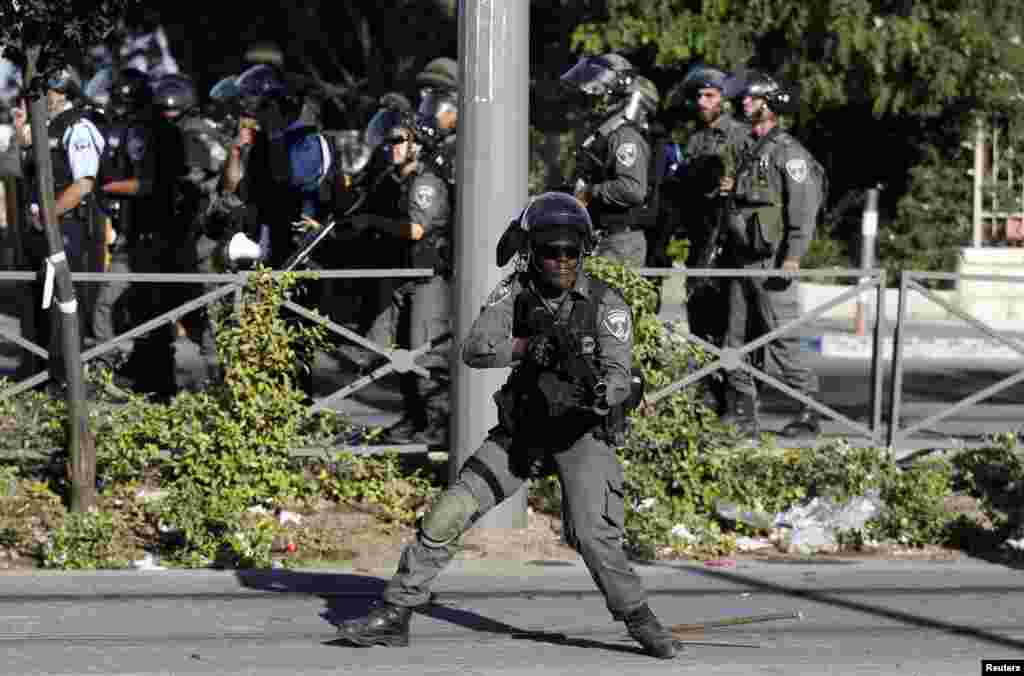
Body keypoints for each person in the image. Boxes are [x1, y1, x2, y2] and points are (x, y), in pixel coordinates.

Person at [336, 192, 679, 660]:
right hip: (523, 433)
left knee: (594, 537)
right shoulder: (514, 293)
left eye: (570, 252)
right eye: (550, 252)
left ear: (584, 252)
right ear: (532, 253)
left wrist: (601, 393)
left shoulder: (606, 303)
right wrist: (522, 348)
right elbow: (475, 348)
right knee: (449, 512)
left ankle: (639, 618)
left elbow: (619, 373)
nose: (561, 261)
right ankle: (396, 612)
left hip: (581, 433)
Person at [719, 71, 826, 437]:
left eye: (751, 98)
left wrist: (793, 256)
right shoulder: (752, 150)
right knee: (733, 343)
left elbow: (803, 209)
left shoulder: (788, 152)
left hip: (772, 264)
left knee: (782, 341)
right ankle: (744, 414)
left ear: (768, 103)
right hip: (742, 261)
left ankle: (809, 412)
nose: (743, 103)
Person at [346, 110, 452, 446]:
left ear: (419, 144)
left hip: (427, 277)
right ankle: (414, 416)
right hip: (404, 275)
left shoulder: (426, 183)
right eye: (389, 141)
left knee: (426, 351)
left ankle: (439, 424)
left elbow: (417, 229)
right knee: (402, 351)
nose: (391, 147)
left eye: (398, 140)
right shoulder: (398, 180)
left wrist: (372, 222)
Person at [91, 68, 186, 400]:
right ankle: (136, 371)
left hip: (153, 236)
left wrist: (104, 187)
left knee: (151, 311)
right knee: (129, 307)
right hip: (137, 235)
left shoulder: (152, 132)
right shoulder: (146, 129)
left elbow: (153, 184)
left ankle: (158, 383)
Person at [665, 65, 753, 414]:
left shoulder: (741, 136)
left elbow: (761, 186)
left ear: (725, 100)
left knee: (732, 324)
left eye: (710, 95)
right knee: (700, 320)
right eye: (699, 96)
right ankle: (708, 396)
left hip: (730, 244)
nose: (702, 102)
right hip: (701, 241)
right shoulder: (697, 139)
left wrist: (738, 186)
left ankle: (739, 403)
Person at [13, 66, 106, 380]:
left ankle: (67, 380)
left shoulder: (78, 127)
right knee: (38, 302)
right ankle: (39, 375)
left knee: (65, 304)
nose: (40, 98)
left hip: (67, 229)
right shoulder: (45, 126)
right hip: (43, 227)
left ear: (63, 92)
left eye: (47, 92)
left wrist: (49, 218)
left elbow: (83, 184)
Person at [560, 53, 658, 267]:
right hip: (602, 240)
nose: (587, 93)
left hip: (620, 244)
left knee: (610, 302)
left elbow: (632, 189)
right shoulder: (603, 134)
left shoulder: (624, 137)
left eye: (595, 90)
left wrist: (589, 192)